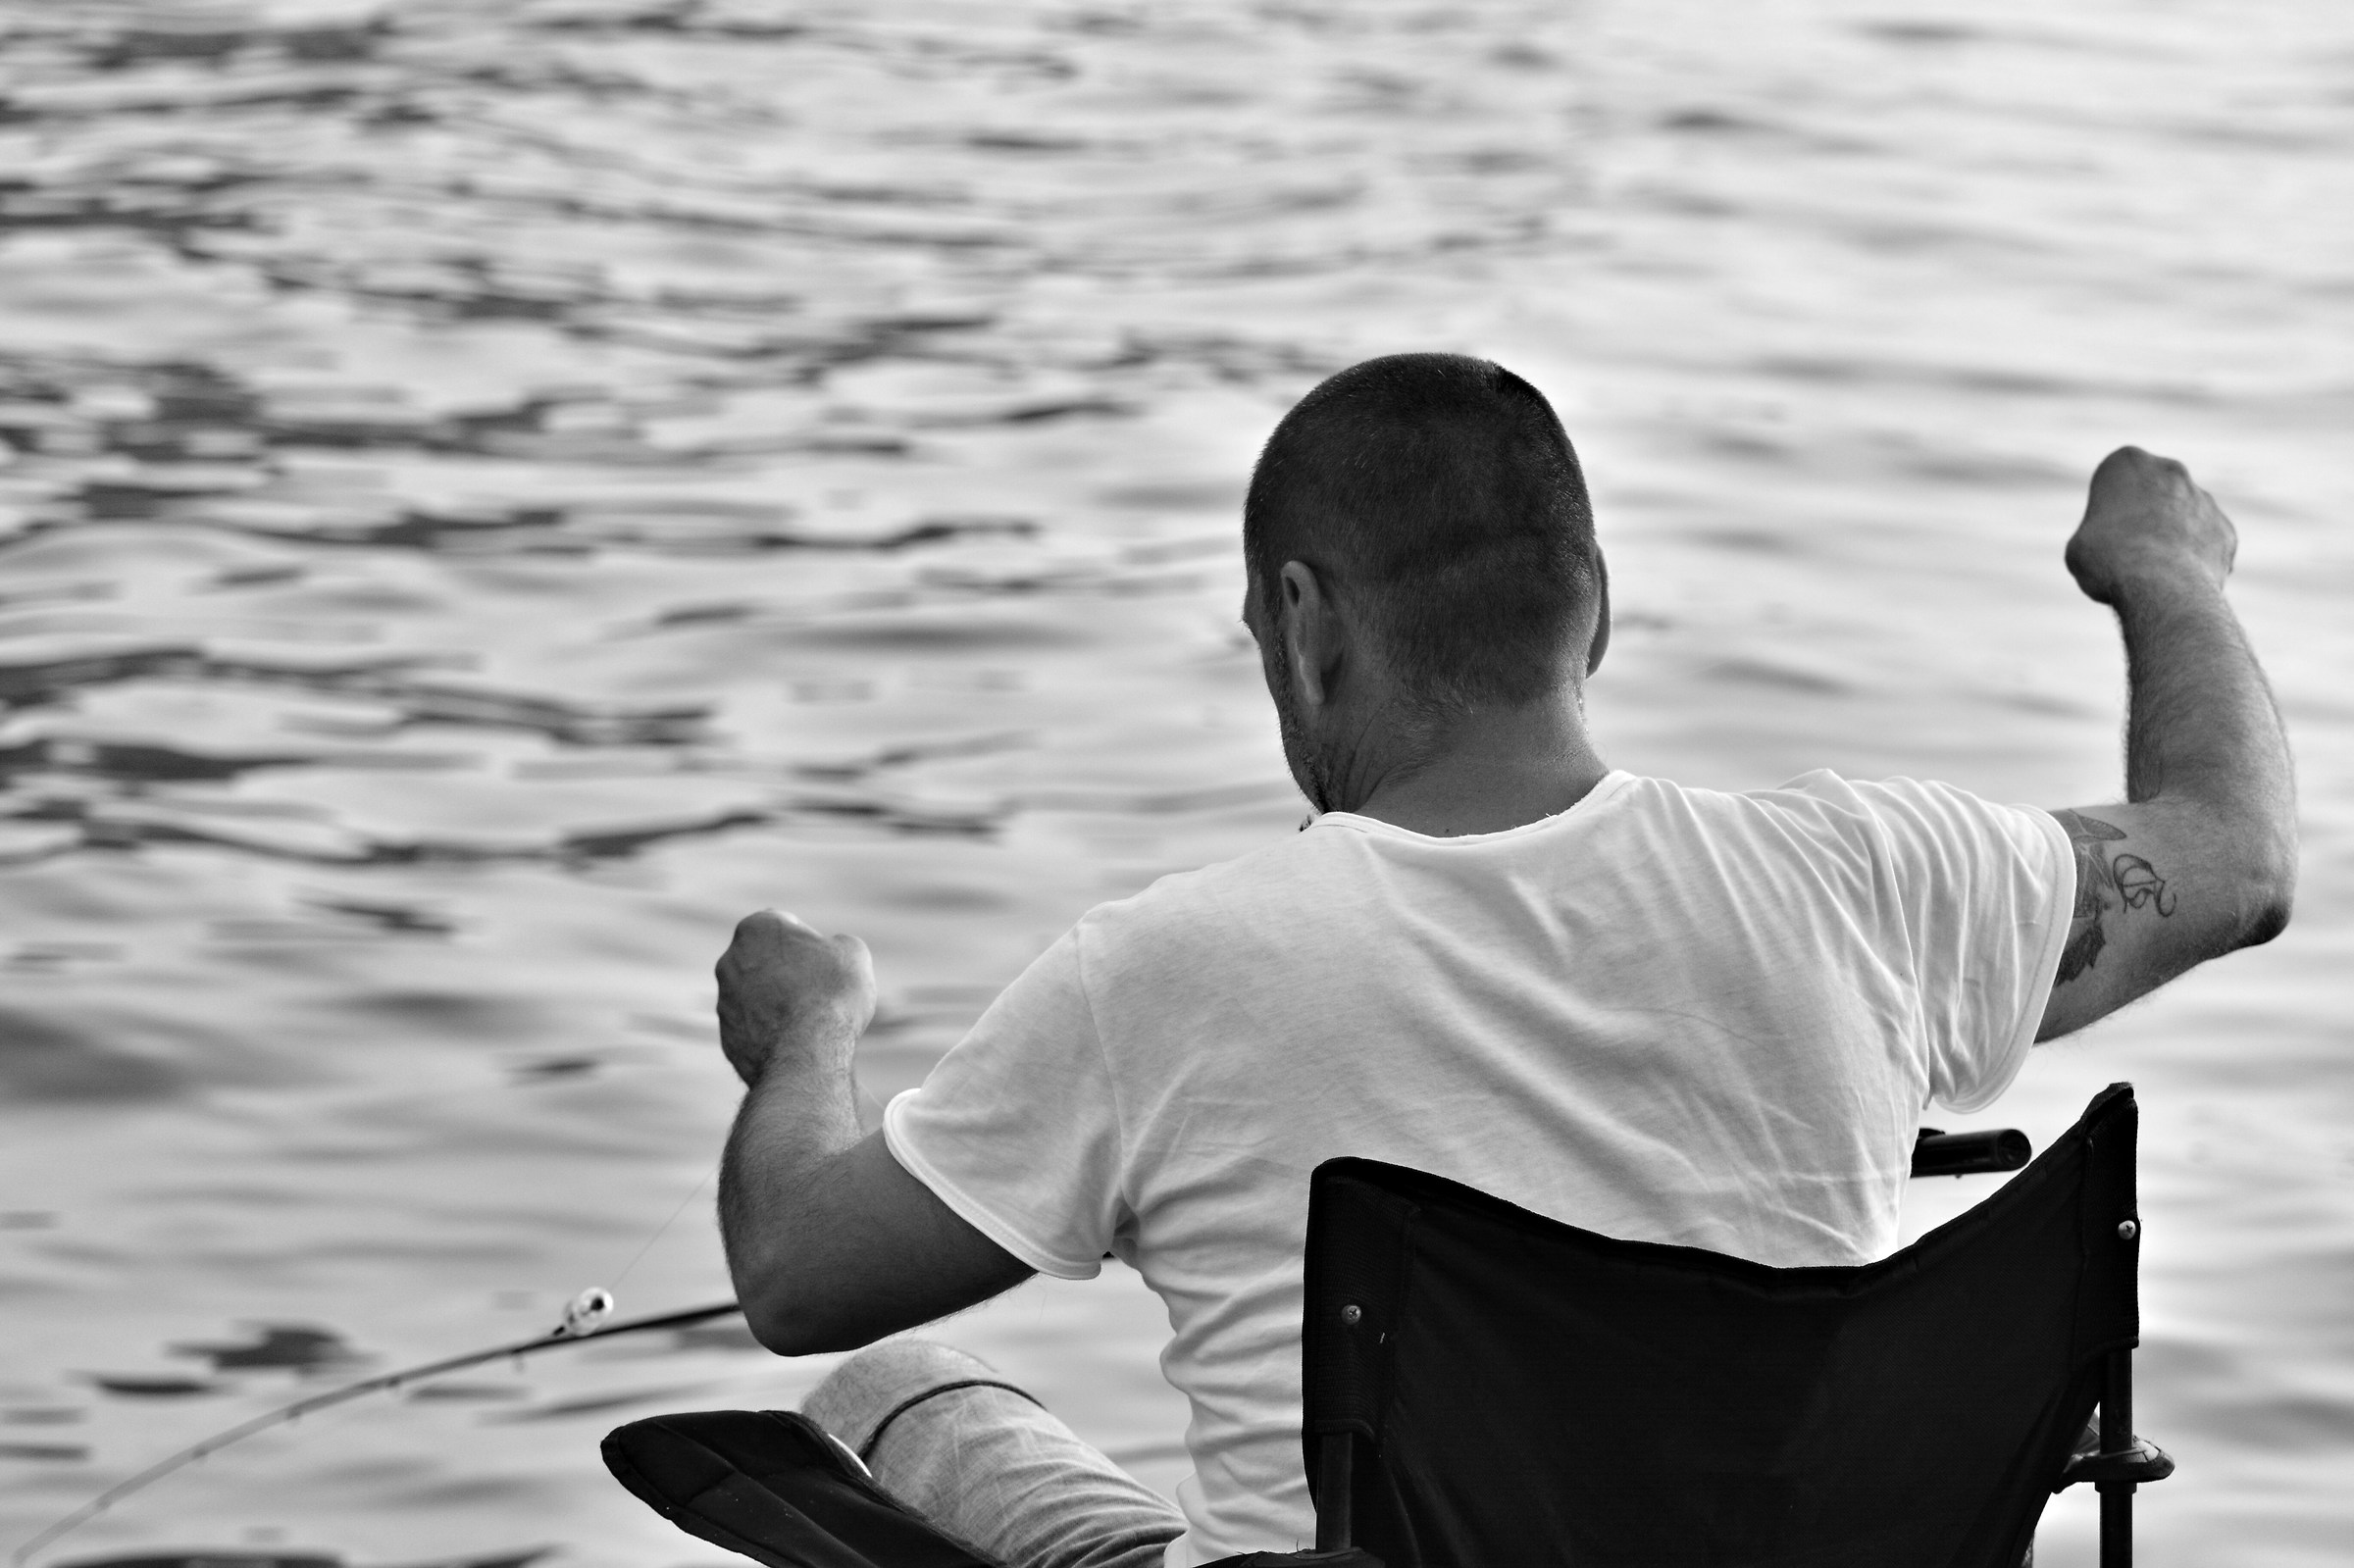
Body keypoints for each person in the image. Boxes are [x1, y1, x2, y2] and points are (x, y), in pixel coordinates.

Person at [707, 354, 2296, 1568]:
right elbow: (2237, 854)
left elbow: (796, 1275)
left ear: (1303, 620)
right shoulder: (1882, 883)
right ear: (1593, 613)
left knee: (884, 1391)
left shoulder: (1167, 975)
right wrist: (2169, 571)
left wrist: (810, 1031)